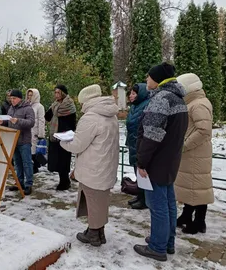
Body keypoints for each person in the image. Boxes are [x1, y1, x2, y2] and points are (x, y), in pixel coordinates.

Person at [133, 62, 188, 262]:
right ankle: (167, 242)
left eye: (148, 77)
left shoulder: (161, 99)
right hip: (170, 160)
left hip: (156, 162)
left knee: (158, 206)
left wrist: (142, 162)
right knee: (168, 203)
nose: (146, 80)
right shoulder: (178, 99)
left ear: (157, 79)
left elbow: (151, 136)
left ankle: (157, 247)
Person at [60, 84, 119, 247]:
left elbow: (77, 145)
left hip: (92, 167)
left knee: (92, 201)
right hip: (106, 166)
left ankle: (93, 234)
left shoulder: (91, 117)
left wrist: (62, 142)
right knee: (101, 201)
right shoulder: (110, 114)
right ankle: (99, 232)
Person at [175, 73, 214, 234]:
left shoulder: (198, 105)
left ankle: (199, 222)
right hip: (192, 154)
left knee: (198, 188)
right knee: (191, 187)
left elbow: (204, 130)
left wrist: (185, 145)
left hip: (196, 153)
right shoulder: (194, 103)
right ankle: (186, 214)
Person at [0, 89, 35, 195]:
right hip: (13, 140)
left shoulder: (28, 108)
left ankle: (28, 184)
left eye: (14, 98)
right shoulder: (11, 108)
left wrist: (18, 120)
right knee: (17, 163)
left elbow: (31, 122)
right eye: (11, 98)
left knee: (27, 163)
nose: (12, 100)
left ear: (19, 98)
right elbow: (9, 122)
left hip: (24, 140)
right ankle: (19, 183)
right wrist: (2, 122)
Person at [45, 84, 77, 190]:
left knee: (64, 159)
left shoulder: (69, 104)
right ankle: (61, 180)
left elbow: (73, 123)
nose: (56, 94)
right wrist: (51, 110)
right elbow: (47, 117)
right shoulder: (55, 105)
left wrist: (67, 133)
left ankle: (65, 182)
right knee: (57, 160)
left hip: (64, 136)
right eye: (55, 92)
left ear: (63, 93)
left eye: (58, 92)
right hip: (55, 135)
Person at [125, 83, 149, 209]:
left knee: (142, 171)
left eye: (134, 94)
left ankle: (145, 199)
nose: (131, 96)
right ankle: (140, 195)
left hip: (140, 143)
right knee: (136, 171)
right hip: (133, 143)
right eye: (131, 93)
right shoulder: (135, 107)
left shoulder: (146, 105)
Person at [26, 89, 46, 174]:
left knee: (34, 151)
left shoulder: (39, 106)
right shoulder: (27, 105)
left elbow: (41, 120)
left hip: (35, 132)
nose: (30, 97)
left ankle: (36, 167)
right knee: (29, 150)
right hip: (27, 131)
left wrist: (41, 134)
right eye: (29, 95)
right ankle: (33, 167)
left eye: (31, 95)